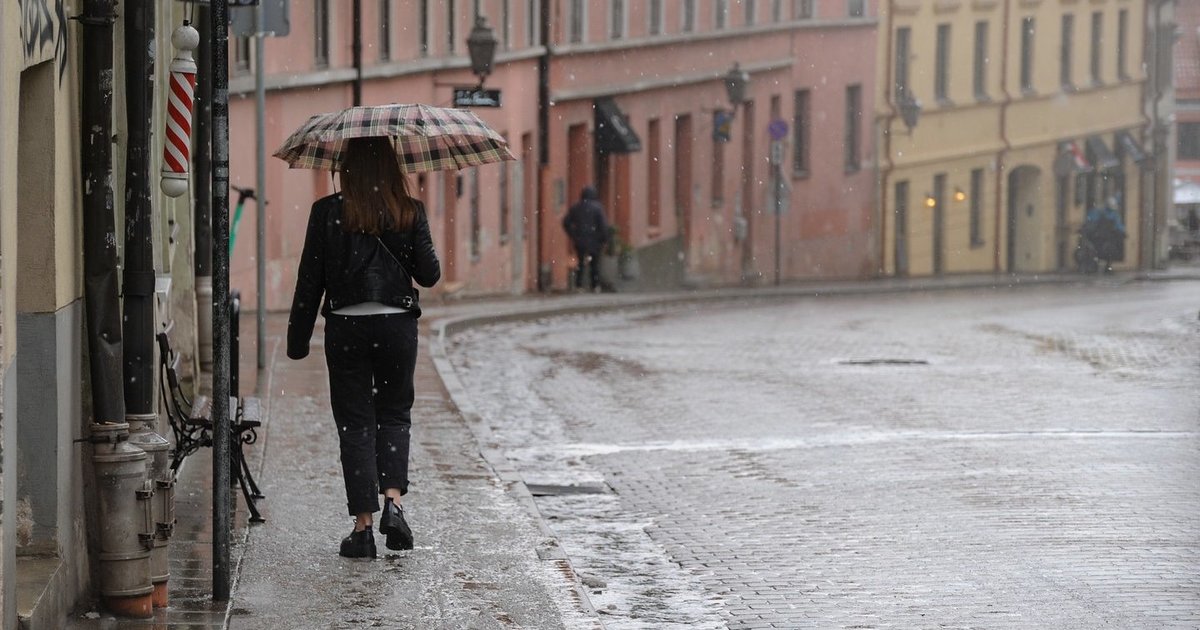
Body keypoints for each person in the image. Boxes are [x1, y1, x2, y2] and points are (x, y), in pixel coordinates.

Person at [287, 136, 441, 559]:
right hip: (396, 326)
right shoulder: (409, 211)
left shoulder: (326, 213)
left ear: (347, 169)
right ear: (391, 169)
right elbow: (429, 275)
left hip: (346, 327)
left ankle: (363, 529)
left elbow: (309, 282)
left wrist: (297, 341)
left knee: (355, 423)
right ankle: (394, 503)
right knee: (394, 413)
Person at [562, 185, 610, 291]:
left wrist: (573, 234)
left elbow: (566, 222)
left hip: (580, 240)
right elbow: (603, 225)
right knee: (594, 264)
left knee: (580, 262)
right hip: (595, 240)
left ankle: (579, 285)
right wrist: (604, 239)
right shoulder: (598, 208)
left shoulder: (576, 207)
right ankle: (595, 285)